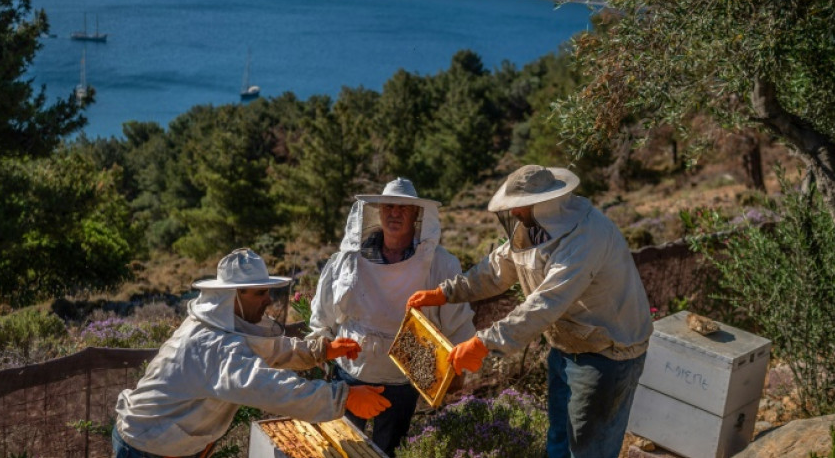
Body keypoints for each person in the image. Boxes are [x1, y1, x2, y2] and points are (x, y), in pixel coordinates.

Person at [408, 165, 653, 458]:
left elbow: (544, 304)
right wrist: (445, 293)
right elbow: (496, 270)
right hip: (566, 347)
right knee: (559, 439)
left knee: (588, 451)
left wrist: (483, 342)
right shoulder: (534, 226)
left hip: (607, 353)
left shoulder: (586, 238)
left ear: (545, 204)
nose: (513, 213)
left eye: (520, 206)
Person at [114, 248, 390, 458]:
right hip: (146, 447)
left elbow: (269, 348)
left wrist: (321, 349)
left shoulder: (229, 324)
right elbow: (270, 388)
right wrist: (344, 397)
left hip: (172, 441)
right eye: (259, 293)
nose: (268, 300)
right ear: (233, 295)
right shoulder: (212, 345)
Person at [309, 177, 476, 457]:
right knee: (343, 449)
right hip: (351, 371)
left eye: (403, 208)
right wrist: (320, 347)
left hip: (403, 376)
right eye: (389, 206)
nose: (394, 213)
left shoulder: (440, 263)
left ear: (417, 213)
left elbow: (456, 317)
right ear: (378, 211)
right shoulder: (348, 259)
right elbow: (323, 311)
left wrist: (457, 369)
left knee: (389, 451)